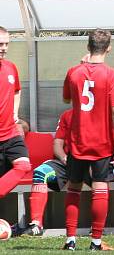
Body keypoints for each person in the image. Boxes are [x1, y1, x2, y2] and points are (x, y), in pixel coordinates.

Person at [61, 29, 114, 251]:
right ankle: (96, 241)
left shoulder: (73, 72)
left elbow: (67, 98)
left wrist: (79, 67)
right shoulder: (112, 75)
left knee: (74, 189)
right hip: (101, 142)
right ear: (108, 48)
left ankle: (70, 240)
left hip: (78, 141)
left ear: (88, 47)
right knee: (100, 188)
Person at [11, 109, 91, 237]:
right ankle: (36, 224)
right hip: (67, 161)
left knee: (101, 178)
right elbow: (57, 143)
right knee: (40, 172)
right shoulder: (67, 115)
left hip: (94, 161)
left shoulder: (103, 113)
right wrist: (65, 158)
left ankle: (98, 227)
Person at [0, 26, 31, 205]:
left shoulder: (11, 68)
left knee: (24, 165)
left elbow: (17, 91)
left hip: (10, 134)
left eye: (6, 44)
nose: (3, 48)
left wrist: (14, 113)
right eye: (0, 44)